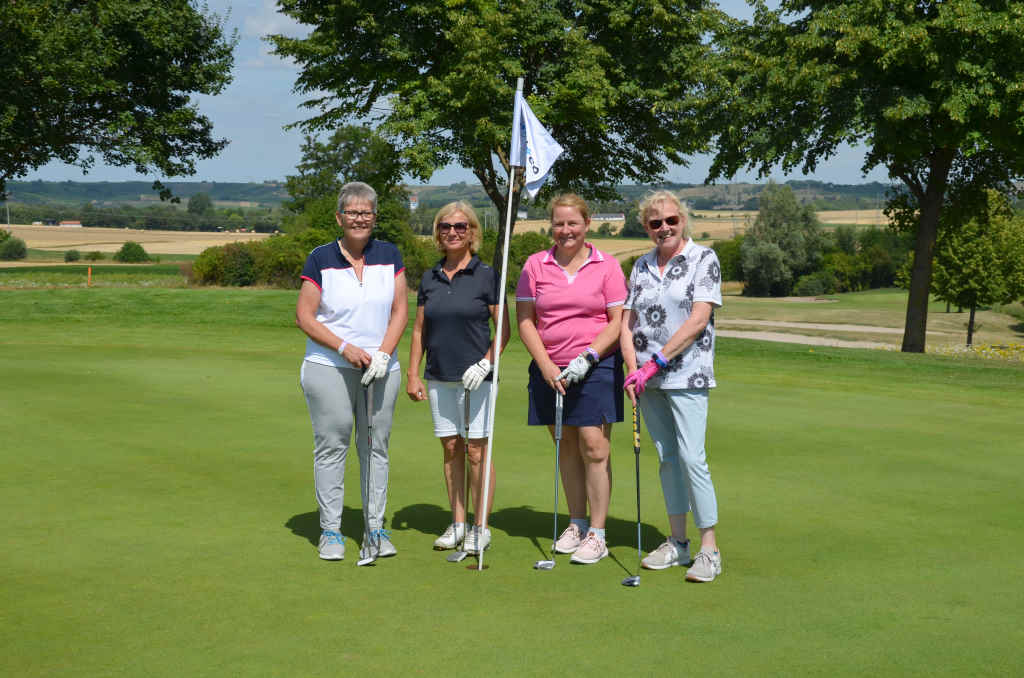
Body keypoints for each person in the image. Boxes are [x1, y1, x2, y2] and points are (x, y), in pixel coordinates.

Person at [295, 181, 408, 562]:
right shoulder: (320, 258)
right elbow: (305, 317)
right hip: (330, 366)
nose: (360, 219)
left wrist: (383, 354)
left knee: (375, 447)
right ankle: (331, 531)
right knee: (333, 446)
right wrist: (345, 347)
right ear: (339, 217)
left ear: (375, 217)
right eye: (353, 212)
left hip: (382, 368)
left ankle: (375, 529)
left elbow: (400, 311)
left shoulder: (390, 254)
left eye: (366, 212)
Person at [515, 193, 628, 564]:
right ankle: (576, 523)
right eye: (559, 223)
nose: (565, 230)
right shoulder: (535, 265)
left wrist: (589, 356)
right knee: (565, 445)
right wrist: (546, 365)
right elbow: (526, 320)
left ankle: (597, 533)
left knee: (594, 446)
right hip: (550, 370)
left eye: (573, 223)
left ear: (587, 224)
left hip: (596, 366)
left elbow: (617, 322)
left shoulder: (607, 266)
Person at [621, 190, 723, 582]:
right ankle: (678, 542)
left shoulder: (703, 258)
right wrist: (633, 369)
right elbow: (627, 323)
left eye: (670, 220)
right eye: (655, 223)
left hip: (687, 374)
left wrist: (655, 363)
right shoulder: (642, 265)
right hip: (648, 380)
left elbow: (698, 320)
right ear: (646, 228)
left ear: (682, 220)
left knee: (692, 457)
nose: (664, 228)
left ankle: (709, 549)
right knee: (667, 458)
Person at [406, 202, 510, 554]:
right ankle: (458, 522)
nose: (452, 232)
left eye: (460, 226)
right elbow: (419, 330)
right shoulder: (429, 277)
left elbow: (504, 328)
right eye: (445, 226)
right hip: (439, 375)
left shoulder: (487, 275)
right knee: (451, 448)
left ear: (472, 232)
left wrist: (486, 364)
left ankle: (481, 527)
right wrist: (413, 374)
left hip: (477, 378)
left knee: (477, 451)